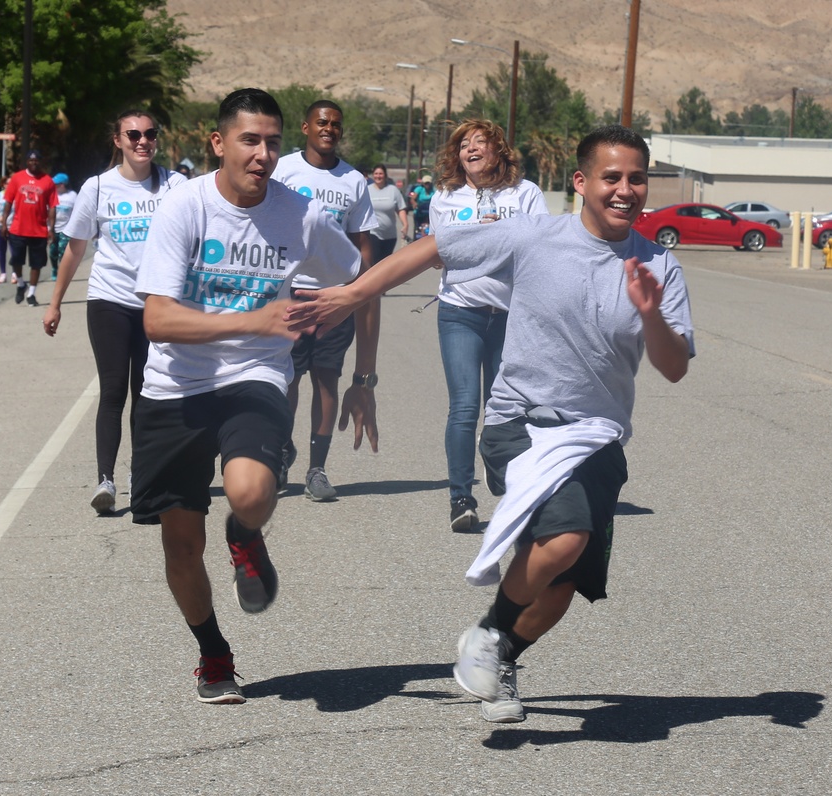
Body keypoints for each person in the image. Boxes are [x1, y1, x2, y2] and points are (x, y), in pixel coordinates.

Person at [284, 125, 694, 724]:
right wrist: (351, 295)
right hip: (521, 422)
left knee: (560, 585)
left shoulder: (659, 265)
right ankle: (490, 634)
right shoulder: (532, 235)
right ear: (582, 183)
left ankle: (499, 653)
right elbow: (433, 248)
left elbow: (674, 367)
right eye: (611, 177)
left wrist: (650, 313)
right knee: (566, 538)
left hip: (596, 435)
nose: (625, 190)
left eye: (636, 178)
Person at [130, 88, 362, 703]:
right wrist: (253, 320)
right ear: (219, 144)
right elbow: (157, 320)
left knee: (251, 492)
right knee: (181, 543)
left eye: (272, 143)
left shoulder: (302, 214)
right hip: (173, 386)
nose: (263, 154)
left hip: (255, 378)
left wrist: (334, 323)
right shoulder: (184, 208)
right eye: (250, 141)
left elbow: (353, 278)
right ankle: (213, 653)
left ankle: (245, 534)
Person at [42, 112, 186, 515]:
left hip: (157, 305)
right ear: (118, 140)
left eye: (150, 133)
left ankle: (143, 479)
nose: (143, 141)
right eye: (134, 134)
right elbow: (75, 248)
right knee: (113, 392)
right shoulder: (99, 187)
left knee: (147, 393)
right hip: (109, 300)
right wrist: (55, 302)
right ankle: (105, 479)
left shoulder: (175, 185)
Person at [430, 120, 549, 532]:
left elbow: (540, 249)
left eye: (481, 142)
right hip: (459, 313)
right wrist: (488, 242)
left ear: (499, 150)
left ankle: (510, 484)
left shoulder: (525, 194)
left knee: (505, 410)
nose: (472, 149)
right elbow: (440, 252)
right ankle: (460, 496)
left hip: (511, 318)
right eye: (464, 144)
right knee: (464, 406)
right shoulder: (445, 197)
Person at [270, 100, 379, 501]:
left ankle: (317, 469)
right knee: (287, 379)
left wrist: (358, 293)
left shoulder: (353, 180)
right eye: (322, 122)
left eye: (335, 124)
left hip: (335, 296)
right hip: (291, 292)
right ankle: (282, 453)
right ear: (306, 127)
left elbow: (363, 245)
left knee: (326, 379)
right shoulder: (283, 169)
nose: (329, 128)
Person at [1, 148, 58, 306]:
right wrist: (4, 223)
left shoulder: (47, 181)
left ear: (40, 162)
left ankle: (31, 293)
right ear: (27, 161)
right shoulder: (17, 178)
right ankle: (20, 284)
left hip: (38, 230)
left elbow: (52, 206)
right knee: (16, 261)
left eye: (37, 160)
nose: (34, 163)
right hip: (18, 228)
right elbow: (8, 202)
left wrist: (51, 229)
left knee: (36, 263)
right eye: (31, 160)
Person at [368, 164, 408, 264]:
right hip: (373, 233)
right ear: (373, 175)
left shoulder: (393, 190)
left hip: (390, 235)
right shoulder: (367, 190)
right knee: (375, 262)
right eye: (376, 174)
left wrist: (405, 224)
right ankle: (374, 280)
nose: (378, 176)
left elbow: (401, 209)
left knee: (385, 263)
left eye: (380, 173)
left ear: (385, 175)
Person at [48, 173, 77, 282]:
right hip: (53, 228)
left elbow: (77, 212)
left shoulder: (73, 195)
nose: (53, 186)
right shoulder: (51, 195)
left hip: (66, 229)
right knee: (52, 252)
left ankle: (62, 272)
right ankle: (54, 268)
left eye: (56, 184)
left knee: (63, 251)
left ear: (62, 185)